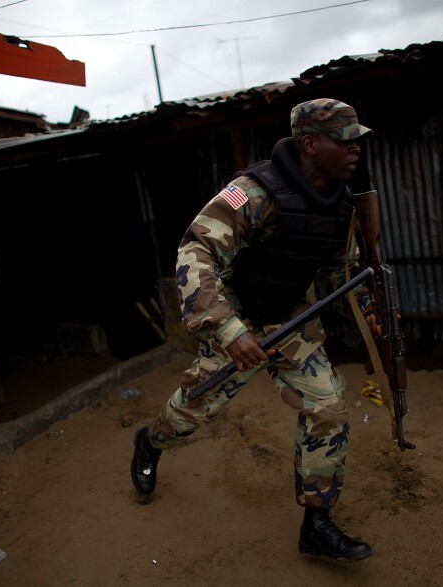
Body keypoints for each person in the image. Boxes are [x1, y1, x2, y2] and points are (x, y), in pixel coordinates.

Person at [131, 98, 380, 562]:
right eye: (345, 141)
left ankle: (316, 522)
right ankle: (151, 441)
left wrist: (370, 314)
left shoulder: (342, 204)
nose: (356, 150)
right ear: (309, 143)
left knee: (327, 406)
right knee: (194, 410)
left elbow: (339, 273)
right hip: (237, 314)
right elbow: (195, 250)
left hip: (290, 316)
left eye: (359, 141)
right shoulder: (252, 191)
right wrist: (226, 329)